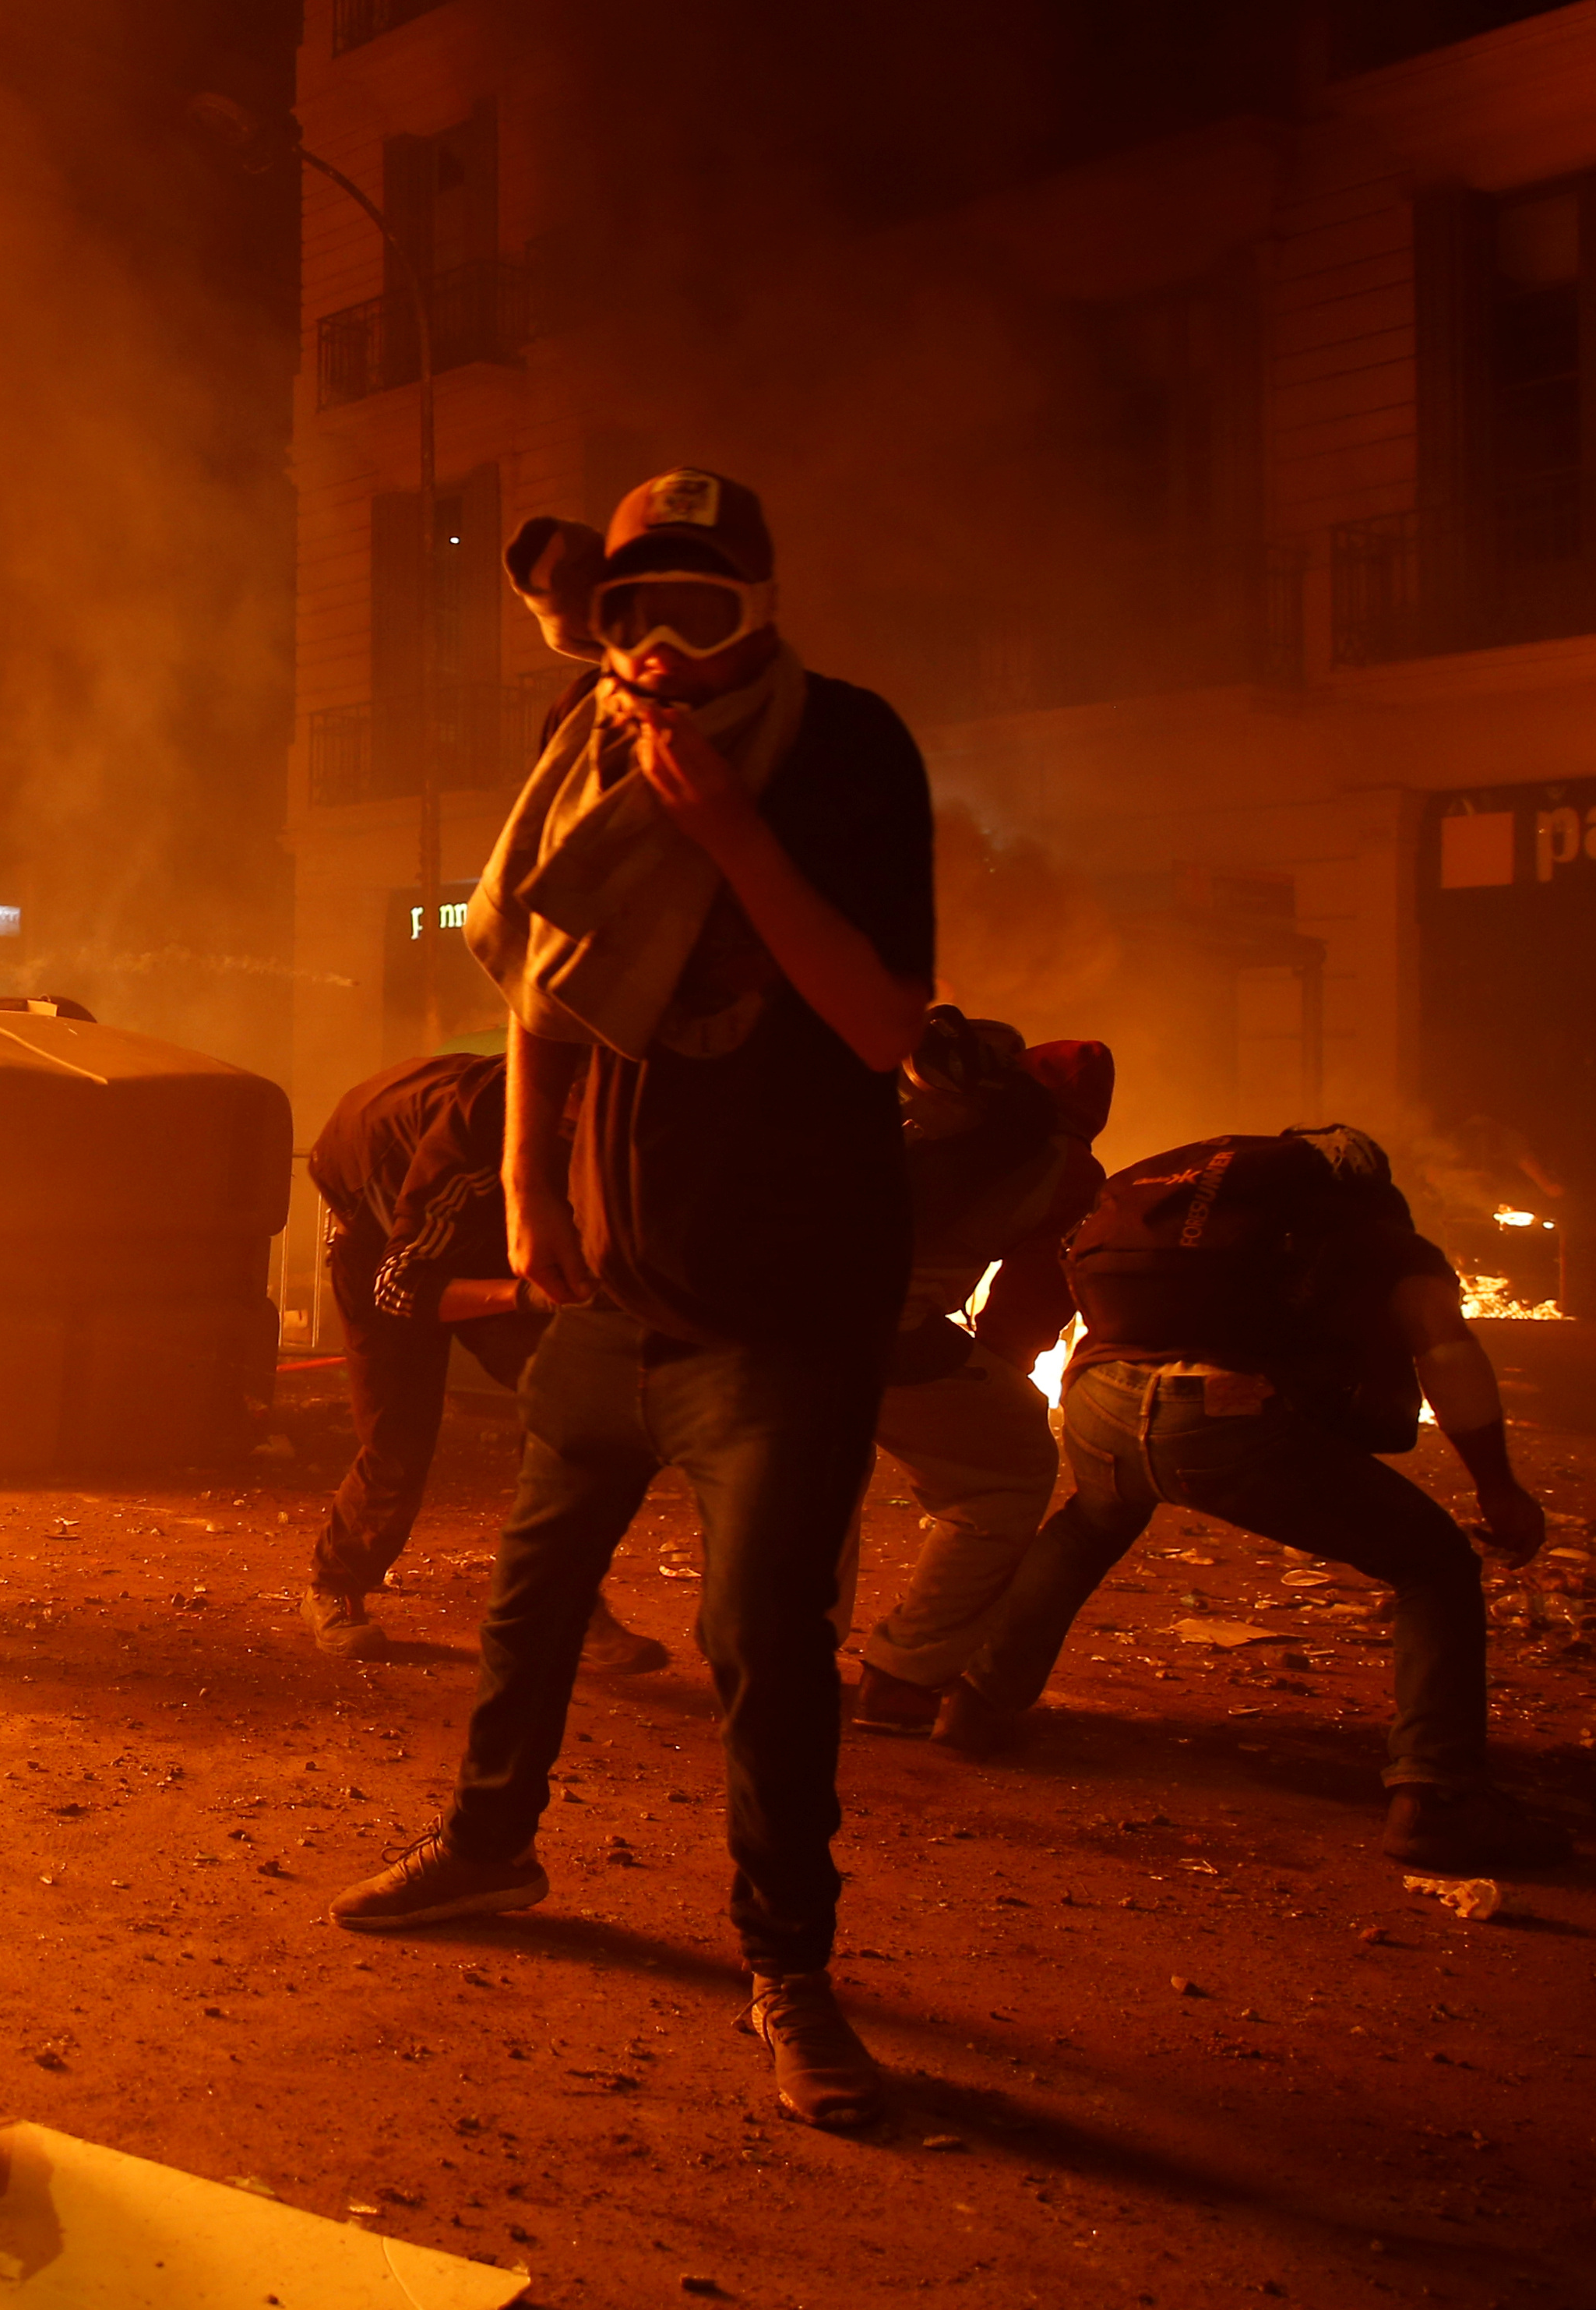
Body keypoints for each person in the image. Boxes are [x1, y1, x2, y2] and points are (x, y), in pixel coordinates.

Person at [331, 470, 935, 2133]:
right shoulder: (577, 744)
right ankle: (484, 1845)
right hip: (607, 1278)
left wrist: (729, 838)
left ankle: (786, 1969)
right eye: (630, 614)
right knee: (530, 1600)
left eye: (700, 611)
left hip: (782, 1297)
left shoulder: (846, 748)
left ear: (756, 605)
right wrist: (530, 1194)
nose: (662, 650)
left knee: (760, 1643)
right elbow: (539, 982)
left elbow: (881, 1024)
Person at [932, 1125, 1574, 1874]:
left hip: (1100, 1398)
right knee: (1433, 1563)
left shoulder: (1187, 1206)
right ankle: (1440, 1798)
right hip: (1219, 1413)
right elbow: (1444, 1344)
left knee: (1091, 1519)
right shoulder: (1371, 1233)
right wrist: (1496, 1485)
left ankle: (975, 1702)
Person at [299, 1051, 670, 1674]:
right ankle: (334, 1583)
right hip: (384, 1250)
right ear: (567, 1093)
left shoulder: (602, 1116)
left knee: (562, 1400)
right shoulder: (472, 1138)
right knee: (400, 1437)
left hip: (502, 1236)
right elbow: (401, 1286)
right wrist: (527, 1294)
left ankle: (567, 1600)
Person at [848, 1014, 1112, 1733]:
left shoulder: (876, 1098)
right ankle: (905, 1674)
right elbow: (1025, 1305)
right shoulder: (1062, 1166)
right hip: (880, 1335)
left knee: (815, 1472)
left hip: (756, 1319)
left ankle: (778, 1667)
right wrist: (994, 1375)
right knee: (1010, 1469)